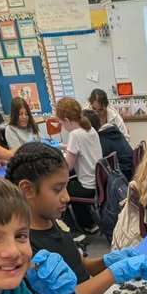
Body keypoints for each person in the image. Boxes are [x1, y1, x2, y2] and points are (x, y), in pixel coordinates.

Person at [6, 142, 147, 294]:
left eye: (66, 187)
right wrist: (113, 274)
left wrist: (107, 261)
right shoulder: (22, 246)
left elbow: (80, 266)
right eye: (57, 190)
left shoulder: (53, 221)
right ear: (27, 190)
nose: (67, 197)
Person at [55, 97, 102, 234]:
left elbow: (67, 167)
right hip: (98, 183)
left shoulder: (75, 135)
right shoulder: (90, 129)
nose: (63, 127)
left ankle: (74, 229)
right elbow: (82, 147)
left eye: (62, 123)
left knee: (61, 189)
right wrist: (62, 146)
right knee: (71, 183)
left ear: (67, 120)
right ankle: (89, 223)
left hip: (87, 186)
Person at [83, 108, 133, 179]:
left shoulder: (101, 141)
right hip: (130, 170)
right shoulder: (110, 132)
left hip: (123, 176)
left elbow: (93, 167)